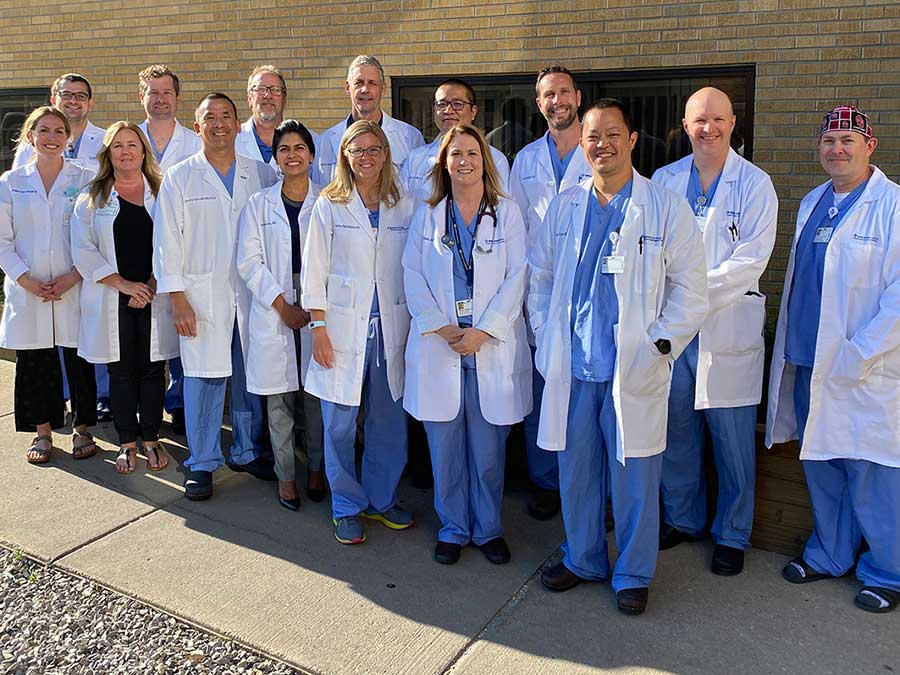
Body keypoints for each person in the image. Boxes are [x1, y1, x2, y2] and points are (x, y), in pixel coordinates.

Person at [529, 99, 707, 615]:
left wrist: (658, 348)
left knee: (635, 479)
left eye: (612, 134)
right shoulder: (566, 206)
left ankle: (632, 571)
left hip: (634, 368)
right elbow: (539, 280)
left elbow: (691, 290)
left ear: (632, 140)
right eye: (592, 136)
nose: (601, 144)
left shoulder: (663, 206)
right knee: (577, 471)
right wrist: (545, 334)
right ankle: (583, 557)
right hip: (575, 366)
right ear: (581, 145)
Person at [767, 105, 900, 614]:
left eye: (848, 139)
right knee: (821, 462)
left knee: (871, 470)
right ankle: (830, 553)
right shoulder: (813, 202)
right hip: (809, 359)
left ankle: (888, 570)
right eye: (828, 140)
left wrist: (862, 352)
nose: (837, 148)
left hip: (866, 367)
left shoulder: (890, 205)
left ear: (870, 145)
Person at [651, 87, 778, 575]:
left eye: (718, 119)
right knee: (677, 431)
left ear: (732, 124)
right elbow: (651, 253)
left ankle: (732, 533)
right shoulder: (663, 181)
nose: (709, 128)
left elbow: (750, 260)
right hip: (674, 332)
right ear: (685, 126)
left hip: (726, 329)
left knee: (732, 442)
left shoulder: (755, 184)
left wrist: (691, 298)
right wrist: (677, 307)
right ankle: (683, 519)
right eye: (699, 120)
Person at [403, 124, 531, 565]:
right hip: (443, 344)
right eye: (455, 154)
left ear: (485, 160)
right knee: (445, 452)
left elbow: (519, 276)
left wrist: (485, 329)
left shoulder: (507, 213)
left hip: (487, 346)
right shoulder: (428, 214)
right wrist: (441, 326)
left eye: (473, 153)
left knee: (489, 453)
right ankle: (454, 528)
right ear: (444, 162)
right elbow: (412, 275)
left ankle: (488, 529)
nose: (464, 161)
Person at [153, 93, 278, 500]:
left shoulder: (261, 173)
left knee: (248, 378)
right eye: (210, 117)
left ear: (238, 124)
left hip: (252, 296)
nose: (219, 124)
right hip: (201, 296)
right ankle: (202, 462)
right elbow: (166, 242)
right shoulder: (180, 176)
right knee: (204, 379)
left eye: (227, 116)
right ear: (197, 126)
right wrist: (178, 298)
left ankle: (245, 449)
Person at [302, 120, 415, 545]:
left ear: (386, 154)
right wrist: (317, 328)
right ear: (345, 157)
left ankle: (382, 499)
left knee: (389, 421)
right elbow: (314, 274)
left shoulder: (405, 203)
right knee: (340, 424)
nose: (366, 157)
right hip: (341, 329)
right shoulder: (329, 204)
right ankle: (346, 505)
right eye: (357, 150)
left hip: (392, 327)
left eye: (374, 149)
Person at [509, 65, 593, 521]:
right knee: (541, 390)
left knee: (584, 393)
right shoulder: (525, 160)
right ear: (538, 103)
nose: (557, 101)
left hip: (585, 293)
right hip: (539, 293)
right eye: (547, 95)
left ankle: (584, 484)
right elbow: (518, 230)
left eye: (564, 92)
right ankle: (545, 483)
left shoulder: (597, 151)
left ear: (577, 97)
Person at [71, 122, 179, 473]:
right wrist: (125, 285)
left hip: (154, 294)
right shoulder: (92, 196)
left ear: (143, 151)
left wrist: (148, 284)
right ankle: (127, 443)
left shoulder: (162, 191)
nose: (126, 151)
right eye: (117, 145)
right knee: (120, 372)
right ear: (107, 153)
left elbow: (175, 242)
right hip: (112, 296)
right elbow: (82, 250)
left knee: (151, 371)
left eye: (133, 144)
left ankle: (151, 438)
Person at [0, 107, 97, 463]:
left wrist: (74, 275)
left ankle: (82, 429)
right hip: (30, 289)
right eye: (44, 130)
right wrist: (26, 280)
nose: (52, 137)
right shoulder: (11, 182)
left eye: (59, 131)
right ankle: (42, 433)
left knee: (79, 361)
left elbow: (93, 236)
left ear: (68, 139)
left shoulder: (85, 179)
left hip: (74, 285)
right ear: (31, 136)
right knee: (35, 363)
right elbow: (2, 240)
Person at [237, 119, 326, 509]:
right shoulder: (259, 204)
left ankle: (319, 469)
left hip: (317, 302)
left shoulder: (327, 201)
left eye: (299, 148)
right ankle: (286, 476)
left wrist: (313, 304)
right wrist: (282, 305)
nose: (292, 155)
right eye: (284, 149)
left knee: (317, 400)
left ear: (311, 154)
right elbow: (249, 261)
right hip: (275, 305)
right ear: (275, 158)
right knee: (279, 402)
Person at [137, 64, 202, 437]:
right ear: (141, 97)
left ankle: (177, 404)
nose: (160, 99)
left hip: (182, 247)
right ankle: (141, 406)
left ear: (177, 98)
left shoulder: (194, 143)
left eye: (167, 93)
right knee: (143, 331)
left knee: (179, 330)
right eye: (153, 92)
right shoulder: (128, 138)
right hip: (135, 244)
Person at [313, 55, 424, 184]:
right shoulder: (324, 142)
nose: (365, 89)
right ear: (348, 88)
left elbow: (418, 193)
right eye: (359, 83)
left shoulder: (411, 138)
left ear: (383, 89)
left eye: (372, 83)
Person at [399, 79, 510, 204]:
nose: (448, 111)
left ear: (473, 112)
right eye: (441, 104)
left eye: (457, 104)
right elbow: (401, 207)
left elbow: (501, 207)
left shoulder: (495, 159)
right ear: (434, 111)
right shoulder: (416, 158)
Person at [12, 74, 104, 171]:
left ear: (90, 103)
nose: (73, 101)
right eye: (66, 95)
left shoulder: (106, 141)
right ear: (54, 101)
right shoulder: (34, 141)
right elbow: (17, 181)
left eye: (81, 96)